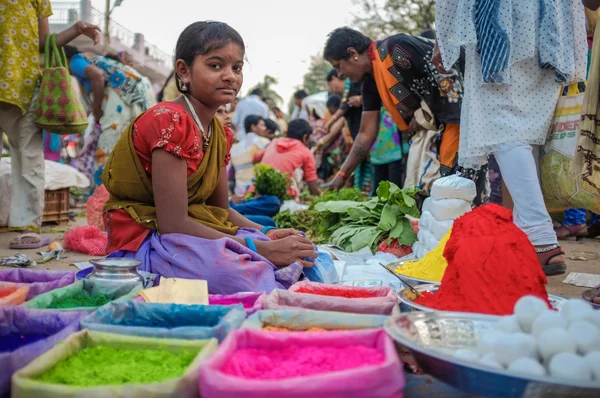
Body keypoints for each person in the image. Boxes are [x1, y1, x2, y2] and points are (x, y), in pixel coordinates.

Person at [103, 21, 316, 294]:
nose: (230, 76)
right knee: (241, 278)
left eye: (237, 68)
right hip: (148, 237)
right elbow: (173, 224)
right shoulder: (169, 120)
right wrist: (262, 249)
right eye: (216, 66)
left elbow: (223, 211)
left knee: (301, 248)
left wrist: (265, 234)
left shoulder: (219, 133)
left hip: (193, 230)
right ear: (184, 70)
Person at [434, 0, 587, 275]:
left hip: (504, 16)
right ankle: (524, 239)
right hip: (552, 15)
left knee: (501, 126)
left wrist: (443, 38)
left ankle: (542, 240)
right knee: (527, 129)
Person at [0, 0, 100, 248]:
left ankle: (27, 226)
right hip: (14, 86)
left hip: (22, 87)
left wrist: (76, 28)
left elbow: (44, 42)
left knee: (29, 159)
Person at [323, 28, 466, 195]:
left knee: (454, 190)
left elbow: (447, 78)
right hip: (432, 132)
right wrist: (342, 174)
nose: (340, 74)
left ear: (353, 53)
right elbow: (365, 134)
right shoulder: (369, 82)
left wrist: (422, 115)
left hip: (461, 122)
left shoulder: (397, 47)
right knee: (427, 195)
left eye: (339, 66)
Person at [63, 46, 156, 188]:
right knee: (129, 147)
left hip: (123, 97)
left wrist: (96, 108)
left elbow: (98, 76)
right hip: (139, 92)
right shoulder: (90, 61)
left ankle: (102, 194)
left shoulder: (75, 61)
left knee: (107, 150)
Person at [254, 119, 322, 198]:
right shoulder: (305, 152)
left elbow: (255, 158)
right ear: (305, 137)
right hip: (285, 198)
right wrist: (322, 197)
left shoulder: (274, 142)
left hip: (258, 193)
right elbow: (313, 188)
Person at [230, 115, 271, 195]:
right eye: (262, 125)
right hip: (257, 191)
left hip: (239, 191)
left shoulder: (235, 148)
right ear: (253, 127)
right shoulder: (263, 142)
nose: (265, 128)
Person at [371, 108, 406, 190]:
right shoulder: (376, 111)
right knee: (379, 185)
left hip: (394, 152)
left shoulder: (393, 109)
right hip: (378, 151)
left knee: (394, 185)